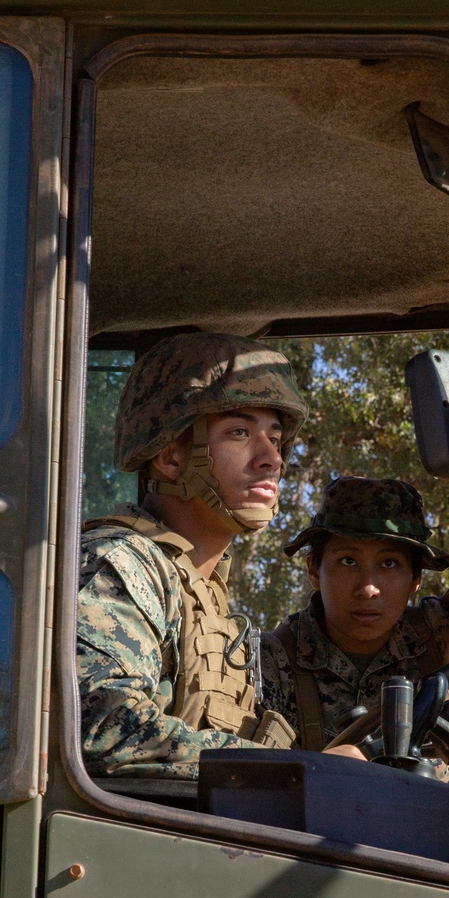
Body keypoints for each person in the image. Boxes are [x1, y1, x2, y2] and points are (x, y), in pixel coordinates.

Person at [77, 330, 316, 779]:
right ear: (170, 459)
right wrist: (292, 770)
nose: (272, 459)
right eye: (240, 432)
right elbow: (101, 728)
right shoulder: (121, 564)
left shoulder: (203, 590)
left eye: (275, 437)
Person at [260, 476, 449, 751]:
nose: (367, 589)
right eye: (348, 561)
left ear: (416, 578)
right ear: (314, 570)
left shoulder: (444, 631)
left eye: (389, 564)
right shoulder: (270, 662)